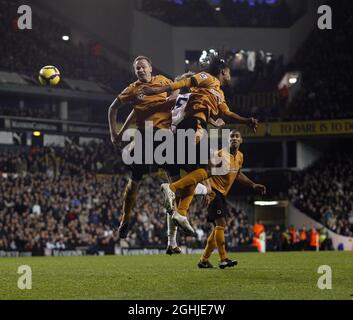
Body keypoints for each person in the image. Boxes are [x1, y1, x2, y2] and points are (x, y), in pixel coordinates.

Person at [140, 58, 259, 235]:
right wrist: (156, 90)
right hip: (191, 125)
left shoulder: (217, 92)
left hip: (182, 131)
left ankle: (180, 215)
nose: (230, 75)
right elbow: (184, 83)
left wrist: (246, 120)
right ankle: (172, 190)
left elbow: (226, 112)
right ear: (224, 71)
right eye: (229, 71)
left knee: (199, 173)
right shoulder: (207, 78)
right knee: (210, 167)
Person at [108, 55, 182, 254]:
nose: (140, 70)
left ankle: (172, 240)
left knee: (175, 183)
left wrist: (171, 97)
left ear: (150, 67)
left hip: (165, 137)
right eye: (137, 68)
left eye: (143, 67)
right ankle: (125, 218)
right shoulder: (133, 89)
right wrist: (115, 133)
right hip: (144, 137)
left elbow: (176, 90)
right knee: (135, 181)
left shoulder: (163, 81)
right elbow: (113, 108)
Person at [198, 130, 266, 269]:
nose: (234, 138)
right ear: (228, 140)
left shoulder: (240, 156)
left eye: (237, 137)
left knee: (218, 227)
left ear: (241, 140)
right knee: (221, 223)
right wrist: (205, 191)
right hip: (213, 191)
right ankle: (223, 259)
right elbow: (205, 169)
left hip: (222, 194)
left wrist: (253, 185)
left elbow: (238, 174)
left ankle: (204, 260)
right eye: (231, 137)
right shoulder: (220, 154)